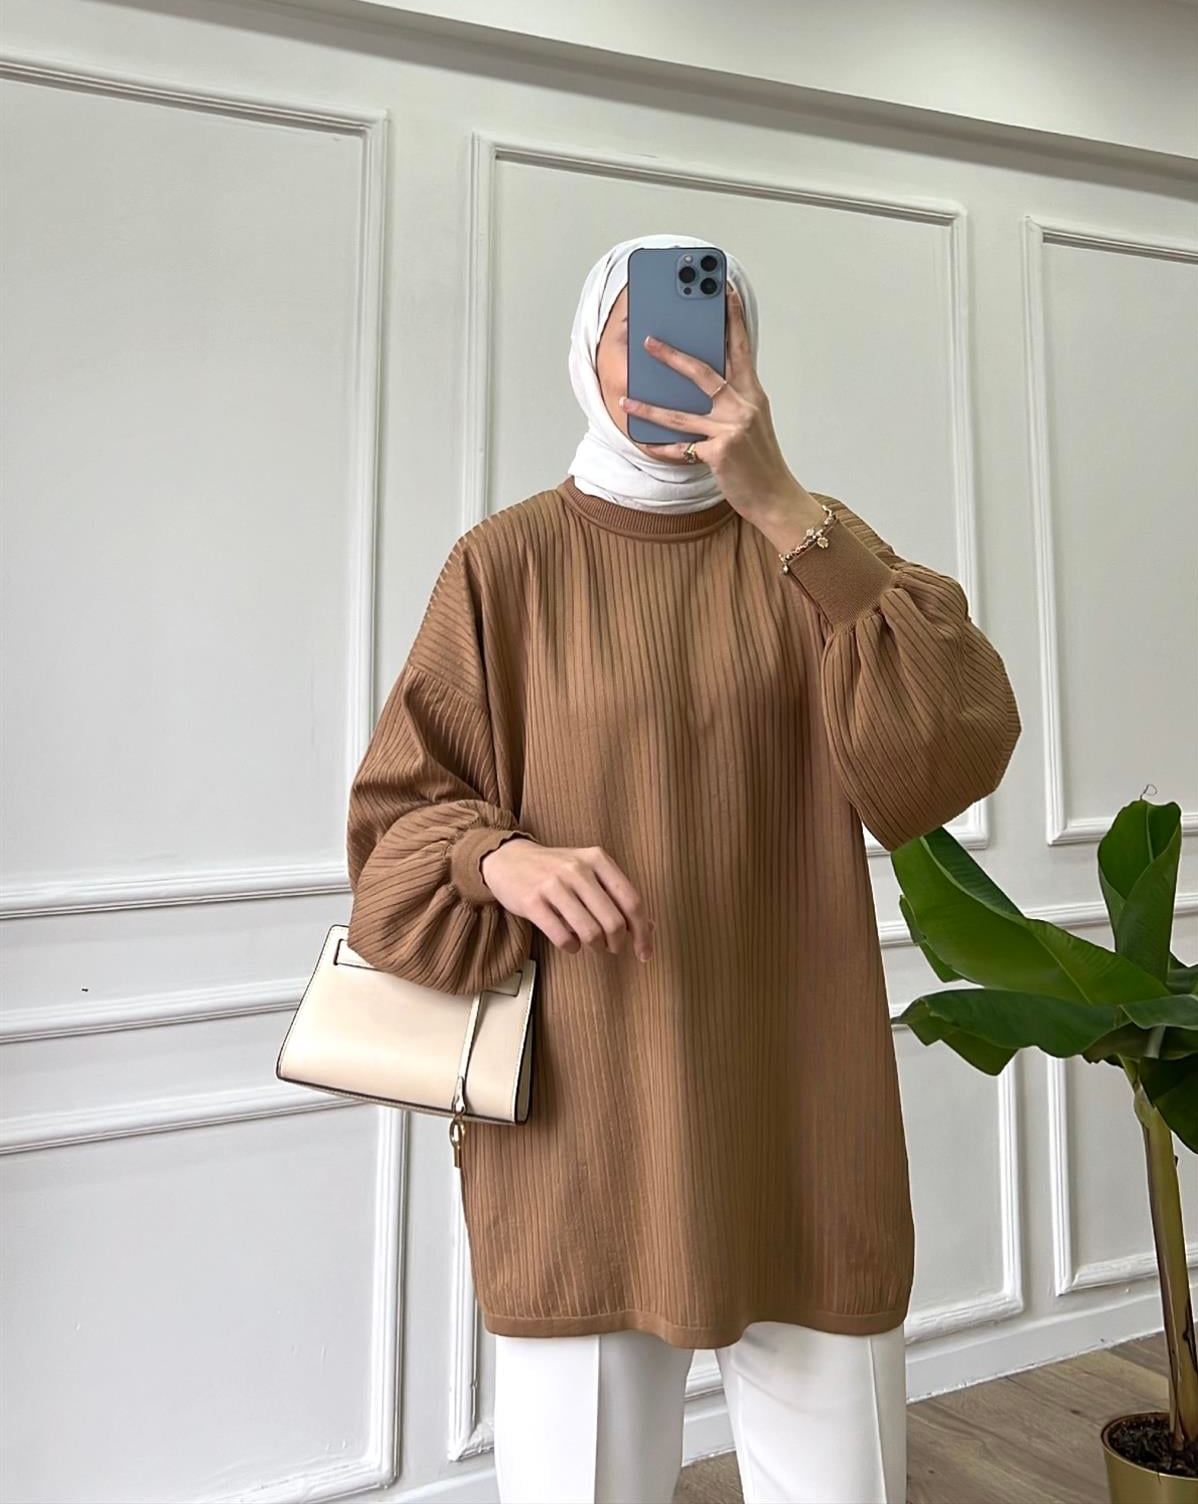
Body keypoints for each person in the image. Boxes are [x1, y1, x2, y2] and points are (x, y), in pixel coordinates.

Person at [345, 231, 1023, 1504]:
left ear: (748, 351)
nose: (669, 354)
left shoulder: (819, 550)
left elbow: (951, 750)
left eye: (708, 327)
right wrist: (497, 858)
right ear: (585, 354)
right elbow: (394, 831)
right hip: (586, 1112)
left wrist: (782, 504)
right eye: (633, 331)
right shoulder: (505, 563)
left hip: (799, 1100)